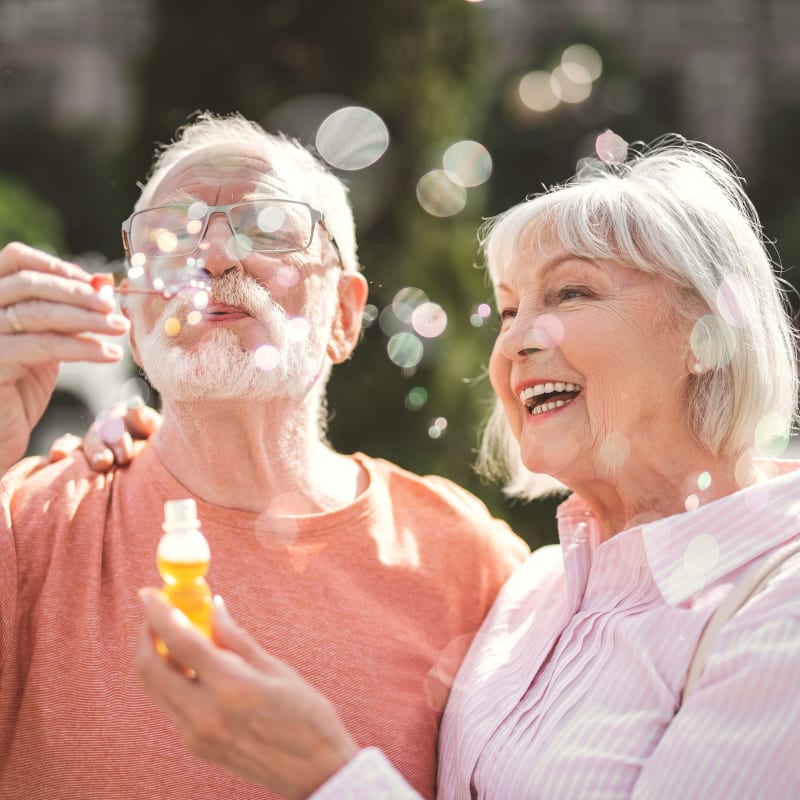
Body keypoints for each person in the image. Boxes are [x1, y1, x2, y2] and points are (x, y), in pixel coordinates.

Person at [127, 133, 800, 798]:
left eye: (571, 293)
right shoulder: (528, 590)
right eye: (510, 309)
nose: (516, 342)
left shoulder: (780, 609)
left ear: (706, 335)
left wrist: (326, 775)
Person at [0, 113, 529, 799]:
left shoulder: (465, 559)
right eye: (174, 233)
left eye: (267, 230)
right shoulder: (28, 527)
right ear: (131, 316)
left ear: (343, 314)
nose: (214, 258)